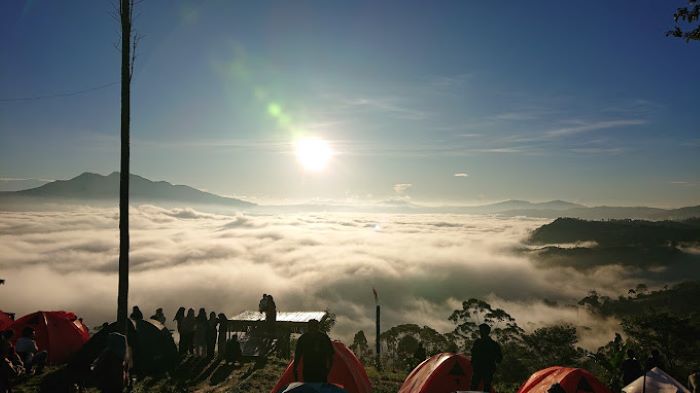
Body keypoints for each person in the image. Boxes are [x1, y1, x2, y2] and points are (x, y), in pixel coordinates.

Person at [470, 323, 502, 392]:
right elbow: (499, 358)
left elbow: (473, 355)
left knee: (475, 386)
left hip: (480, 368)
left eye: (481, 331)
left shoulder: (478, 343)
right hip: (486, 369)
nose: (480, 332)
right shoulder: (494, 344)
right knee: (485, 387)